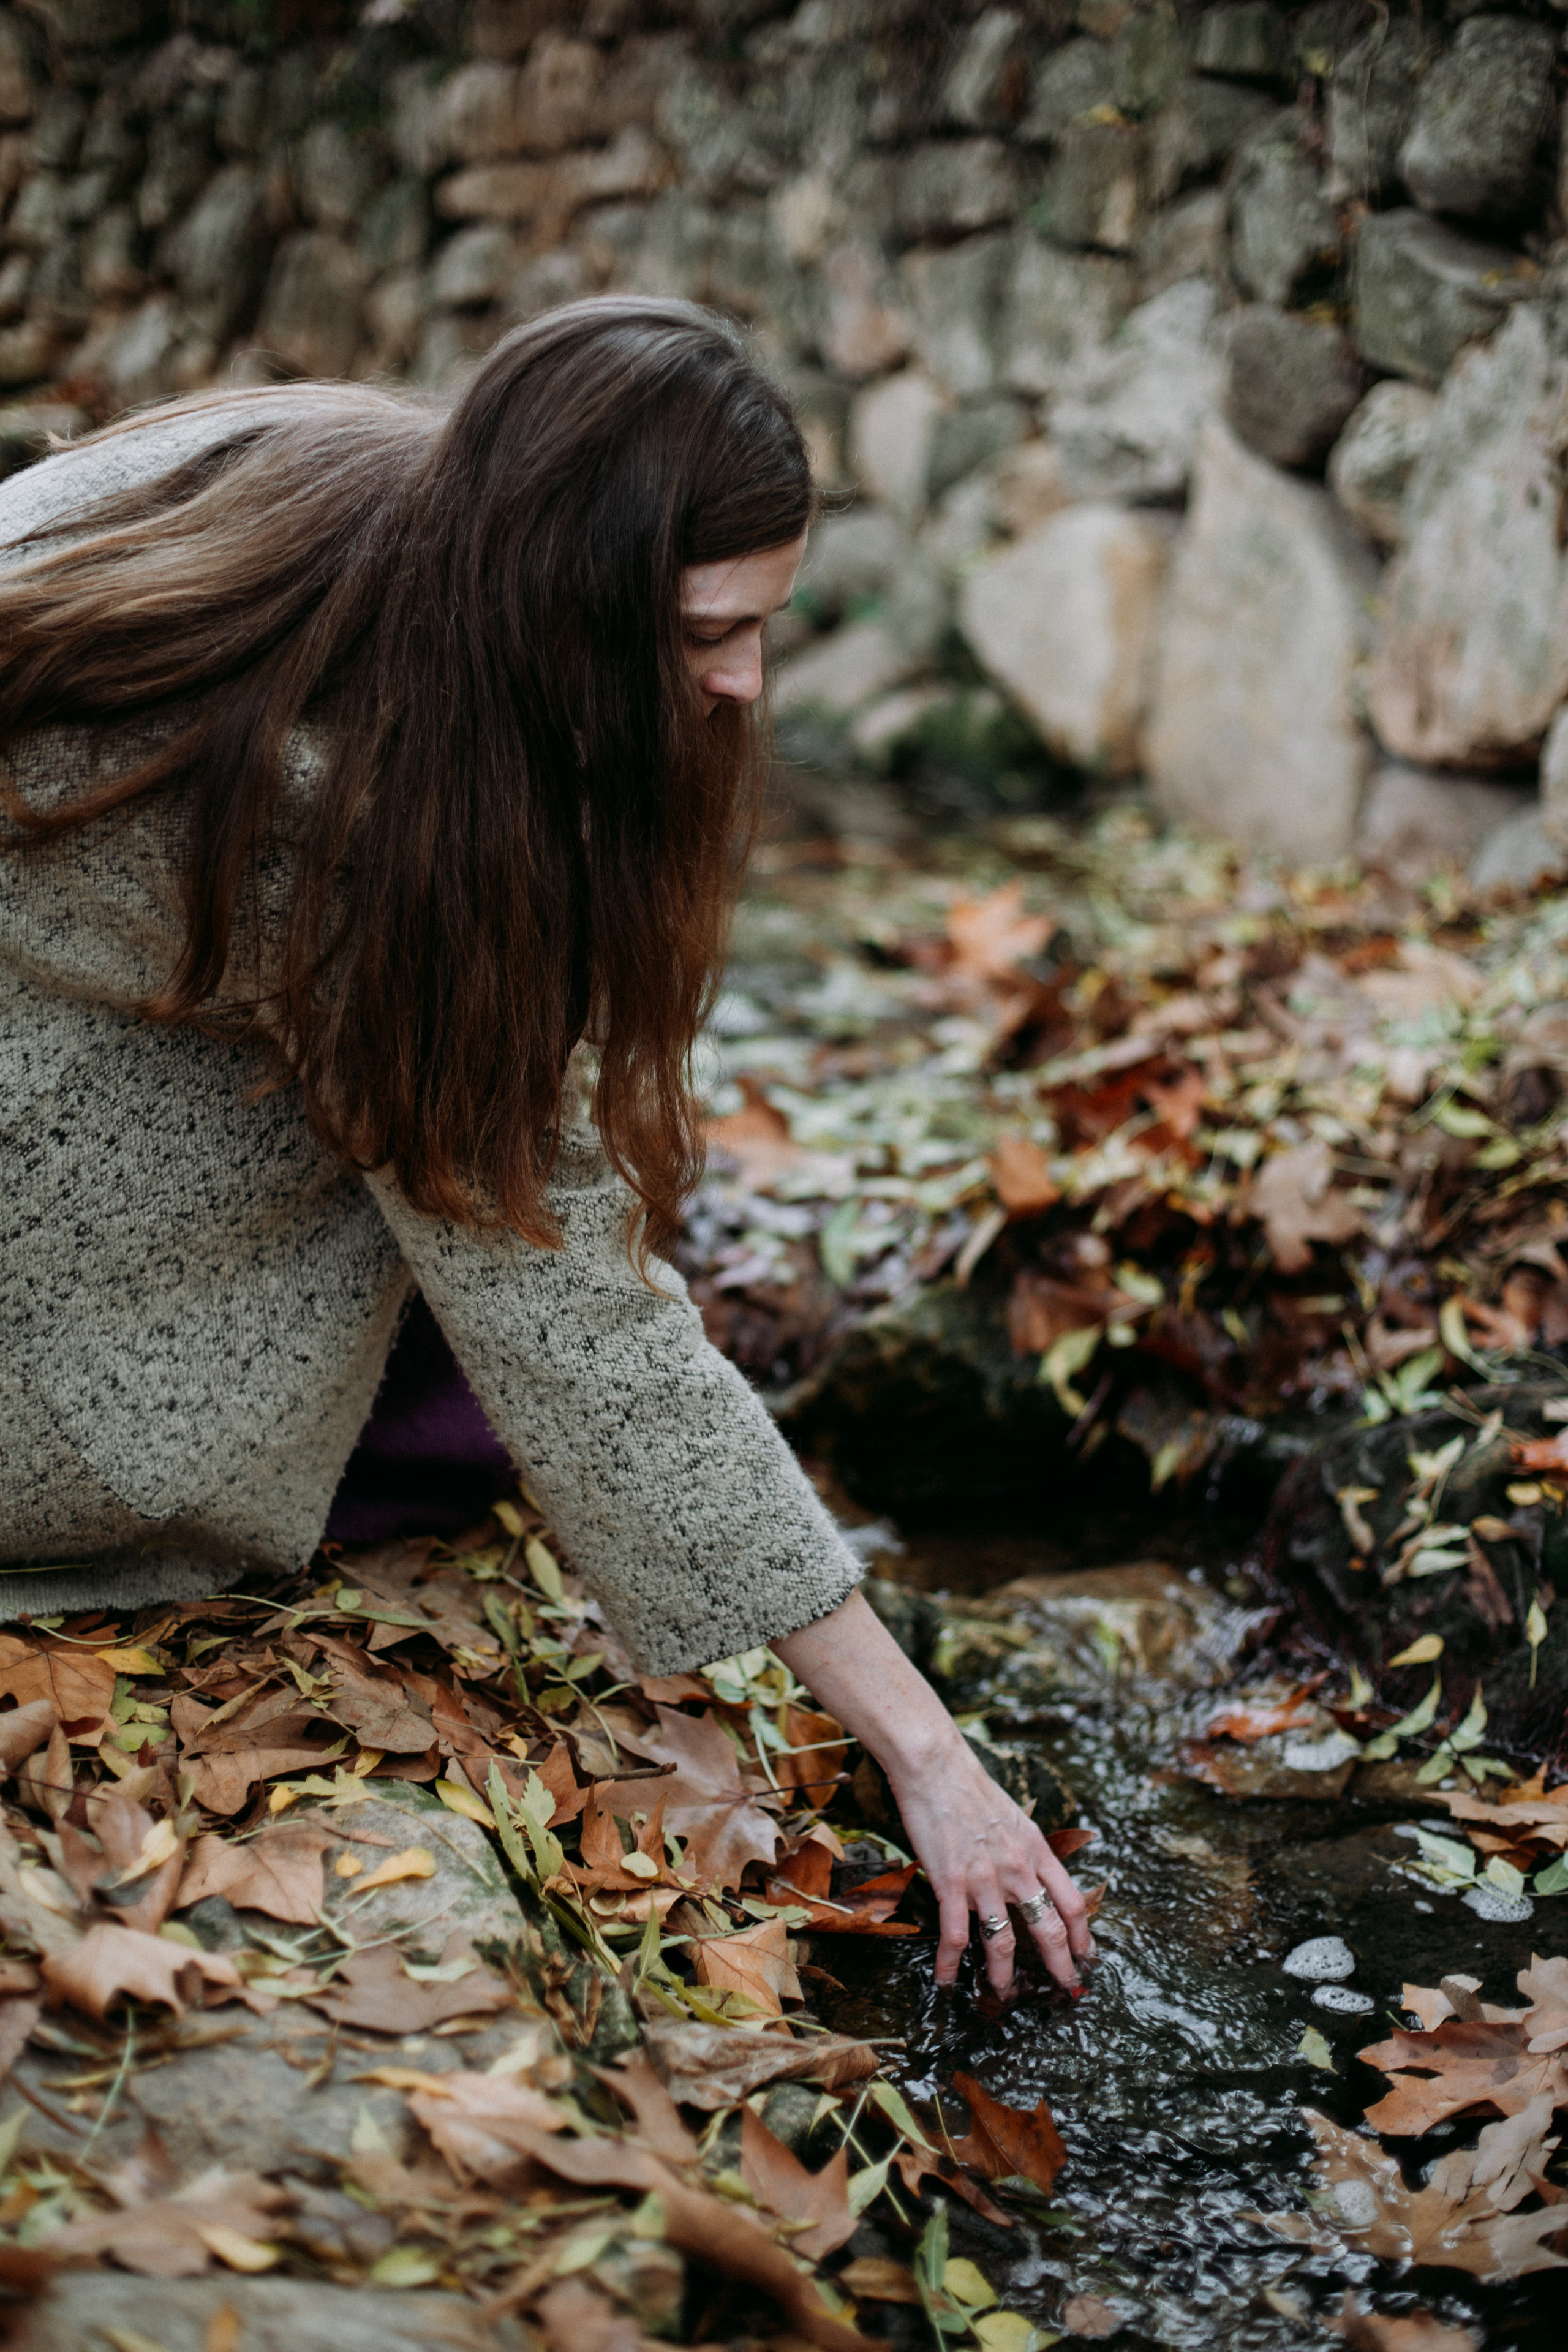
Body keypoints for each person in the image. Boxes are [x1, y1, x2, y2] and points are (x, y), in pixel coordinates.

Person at [0, 295, 1091, 2000]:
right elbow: (576, 1318)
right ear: (554, 600)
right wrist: (927, 1753)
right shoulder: (344, 825)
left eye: (768, 622)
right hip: (34, 1292)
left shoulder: (327, 473)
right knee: (476, 1399)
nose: (745, 681)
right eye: (706, 633)